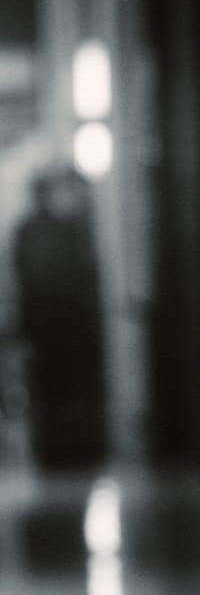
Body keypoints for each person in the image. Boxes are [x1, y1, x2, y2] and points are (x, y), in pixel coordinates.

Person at [13, 164, 106, 468]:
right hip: (58, 323)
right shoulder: (58, 230)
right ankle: (65, 448)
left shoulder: (35, 230)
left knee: (55, 388)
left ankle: (59, 448)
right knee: (61, 388)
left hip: (50, 323)